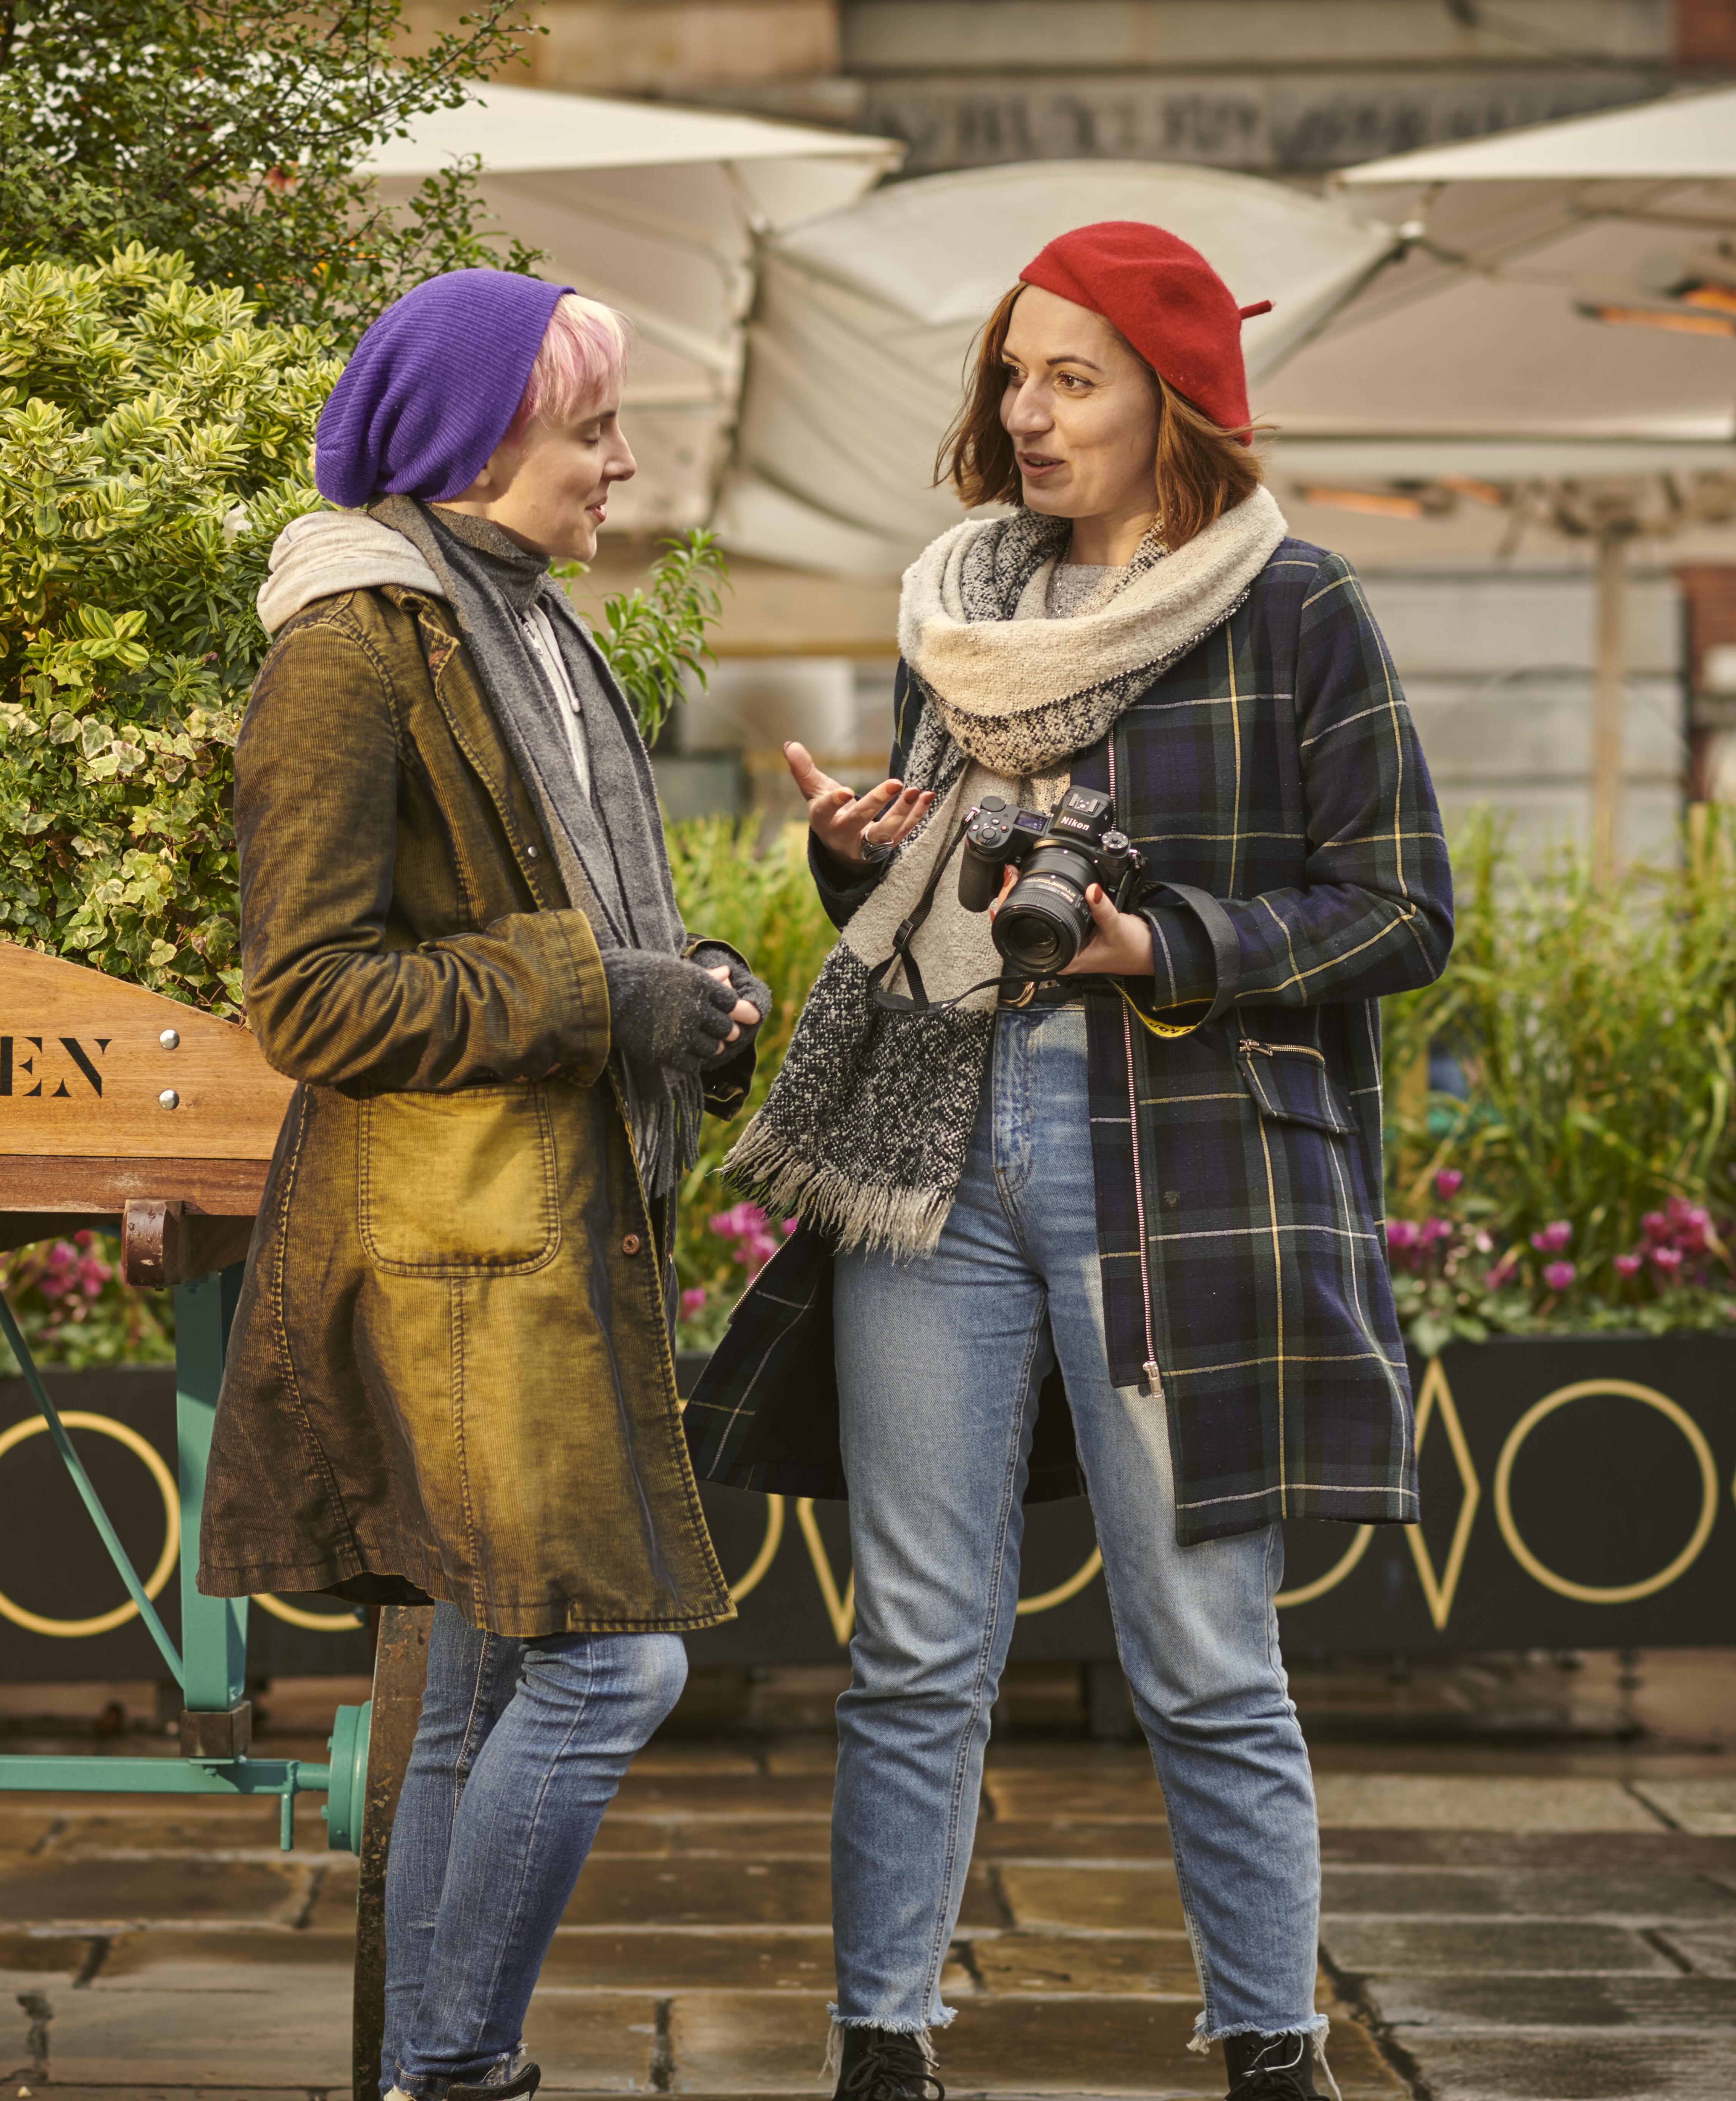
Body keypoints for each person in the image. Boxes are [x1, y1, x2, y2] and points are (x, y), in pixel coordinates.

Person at [691, 223, 1454, 2101]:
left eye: (1072, 380)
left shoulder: (1300, 611)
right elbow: (945, 901)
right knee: (915, 1647)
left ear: (1174, 403)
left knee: (1202, 1648)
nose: (1026, 414)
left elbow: (1403, 907)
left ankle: (1275, 2049)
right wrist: (866, 863)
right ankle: (884, 2044)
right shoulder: (961, 605)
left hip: (1175, 1161)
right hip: (933, 1156)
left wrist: (1163, 943)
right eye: (1013, 376)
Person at [197, 269, 770, 2101]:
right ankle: (458, 2064)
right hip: (451, 1247)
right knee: (613, 1673)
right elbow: (307, 992)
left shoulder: (520, 622)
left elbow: (585, 920)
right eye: (591, 428)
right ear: (475, 440)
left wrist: (688, 1000)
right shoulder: (353, 646)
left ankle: (432, 2072)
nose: (622, 464)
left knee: (470, 1692)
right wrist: (604, 993)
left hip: (537, 1221)